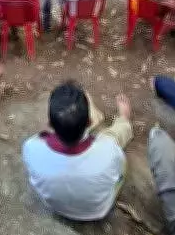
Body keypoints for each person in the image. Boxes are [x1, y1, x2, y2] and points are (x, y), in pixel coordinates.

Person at [22, 82, 134, 221]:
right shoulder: (109, 149)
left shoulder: (31, 147)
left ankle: (94, 116)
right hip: (98, 210)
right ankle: (123, 119)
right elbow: (118, 168)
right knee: (113, 138)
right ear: (88, 122)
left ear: (50, 124)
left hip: (57, 207)